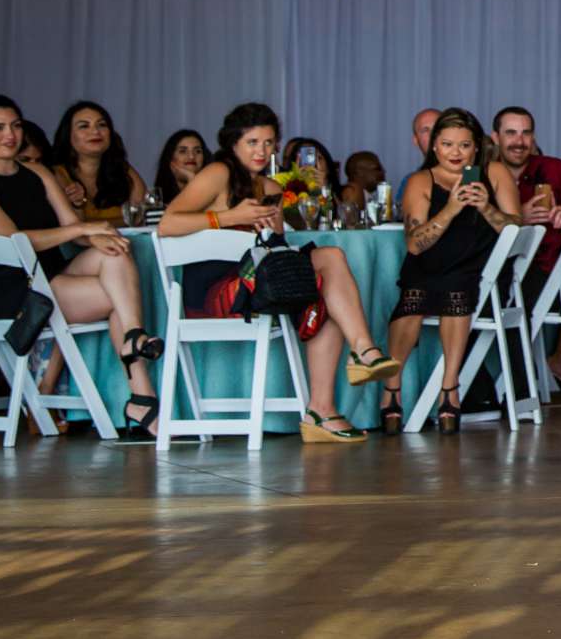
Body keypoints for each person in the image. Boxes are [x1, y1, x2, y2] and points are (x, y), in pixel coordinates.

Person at [158, 103, 402, 443]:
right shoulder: (218, 173)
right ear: (233, 145)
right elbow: (168, 223)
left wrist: (291, 212)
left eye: (269, 143)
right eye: (253, 142)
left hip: (258, 283)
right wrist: (227, 218)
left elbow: (277, 245)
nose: (263, 151)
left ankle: (322, 411)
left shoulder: (271, 187)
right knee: (330, 258)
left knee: (326, 289)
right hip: (217, 292)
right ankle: (362, 353)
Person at [0, 92, 161, 438]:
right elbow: (16, 242)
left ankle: (134, 343)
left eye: (15, 126)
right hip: (16, 291)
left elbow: (72, 233)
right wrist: (82, 227)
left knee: (115, 251)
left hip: (50, 279)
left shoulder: (37, 172)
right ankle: (141, 390)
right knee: (120, 294)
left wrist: (96, 235)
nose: (10, 135)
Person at [383, 107, 518, 433]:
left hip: (476, 270)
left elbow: (516, 229)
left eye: (464, 145)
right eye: (447, 144)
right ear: (434, 147)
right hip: (428, 266)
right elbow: (415, 245)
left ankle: (450, 387)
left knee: (456, 286)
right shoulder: (420, 180)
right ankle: (392, 386)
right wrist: (452, 208)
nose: (455, 153)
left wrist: (485, 206)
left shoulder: (495, 172)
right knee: (413, 296)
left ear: (476, 147)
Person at [493, 105, 561, 393]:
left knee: (508, 301)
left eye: (525, 133)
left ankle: (515, 392)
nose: (519, 141)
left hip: (547, 274)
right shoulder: (486, 174)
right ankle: (477, 390)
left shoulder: (555, 169)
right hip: (494, 270)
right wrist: (517, 216)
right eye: (511, 133)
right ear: (495, 137)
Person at [47, 100, 146, 224]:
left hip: (126, 241)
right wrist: (78, 203)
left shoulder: (123, 169)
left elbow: (141, 219)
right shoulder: (57, 174)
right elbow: (72, 229)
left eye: (102, 125)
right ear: (68, 135)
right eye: (84, 126)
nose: (95, 132)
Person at [153, 130, 207, 204]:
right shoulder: (159, 198)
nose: (191, 156)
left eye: (197, 151)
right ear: (170, 158)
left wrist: (192, 179)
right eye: (183, 151)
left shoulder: (215, 190)